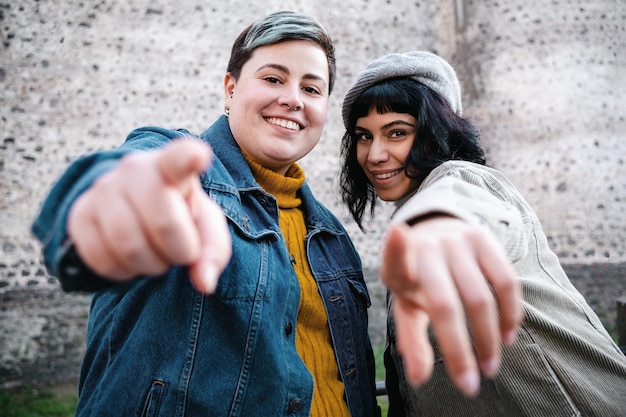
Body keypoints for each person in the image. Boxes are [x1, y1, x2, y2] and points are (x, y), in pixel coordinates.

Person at [31, 11, 381, 417]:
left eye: (312, 88)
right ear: (230, 89)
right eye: (272, 79)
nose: (293, 99)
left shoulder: (331, 237)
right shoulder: (180, 169)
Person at [339, 50, 626, 416]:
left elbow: (465, 206)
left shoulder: (464, 180)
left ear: (436, 131)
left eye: (397, 132)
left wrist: (439, 227)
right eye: (364, 136)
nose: (375, 154)